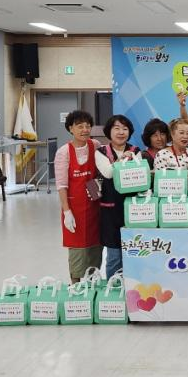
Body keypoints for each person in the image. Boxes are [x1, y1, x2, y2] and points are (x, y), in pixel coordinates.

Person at [54, 110, 102, 283]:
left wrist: (97, 187)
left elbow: (101, 171)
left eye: (88, 126)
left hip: (95, 205)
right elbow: (61, 185)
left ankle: (93, 284)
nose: (85, 130)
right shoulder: (64, 152)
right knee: (77, 249)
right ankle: (76, 286)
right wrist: (67, 211)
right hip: (74, 207)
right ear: (70, 128)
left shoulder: (95, 145)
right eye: (80, 126)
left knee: (96, 246)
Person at [95, 115, 141, 278]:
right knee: (114, 255)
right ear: (109, 131)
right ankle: (113, 287)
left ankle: (131, 286)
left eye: (125, 129)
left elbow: (138, 175)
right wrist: (122, 160)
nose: (121, 132)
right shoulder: (100, 152)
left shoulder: (136, 151)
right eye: (117, 128)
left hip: (132, 207)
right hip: (110, 209)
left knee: (134, 252)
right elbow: (108, 173)